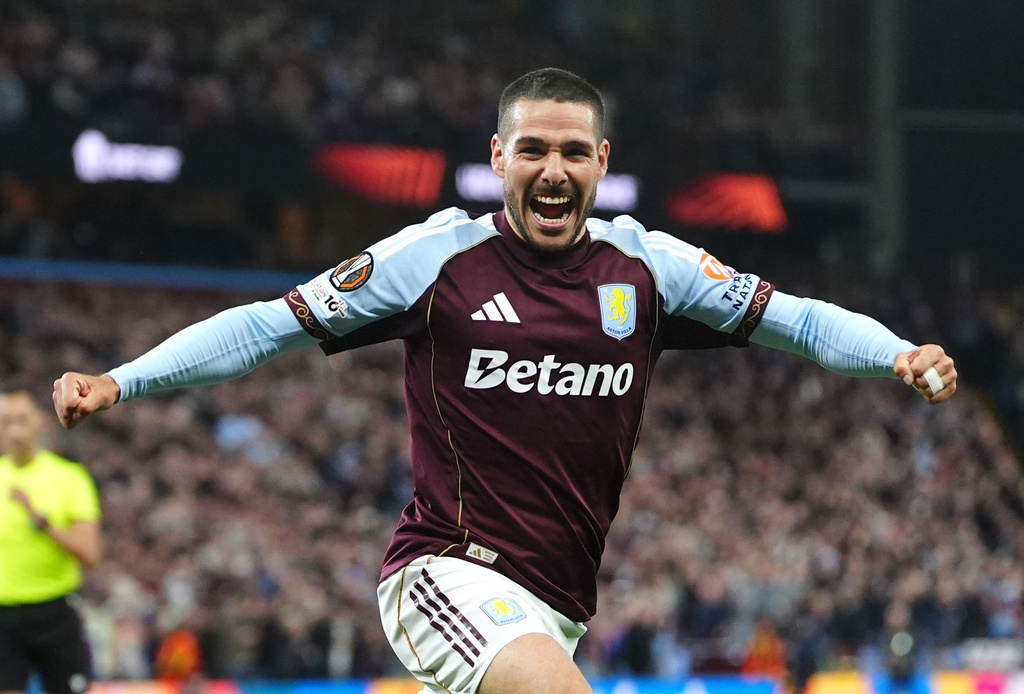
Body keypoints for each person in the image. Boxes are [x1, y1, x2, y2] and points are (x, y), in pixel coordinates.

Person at [52, 68, 957, 694]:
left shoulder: (647, 268)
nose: (553, 169)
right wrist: (121, 382)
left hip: (558, 600)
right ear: (499, 157)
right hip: (445, 573)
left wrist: (896, 354)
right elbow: (266, 328)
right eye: (533, 151)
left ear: (602, 164)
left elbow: (795, 317)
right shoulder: (438, 258)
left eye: (573, 151)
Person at [0, 391, 102, 694]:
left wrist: (42, 522)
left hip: (56, 610)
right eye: (6, 422)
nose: (14, 430)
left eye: (21, 420)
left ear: (39, 423)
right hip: (5, 614)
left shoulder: (70, 478)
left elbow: (90, 554)